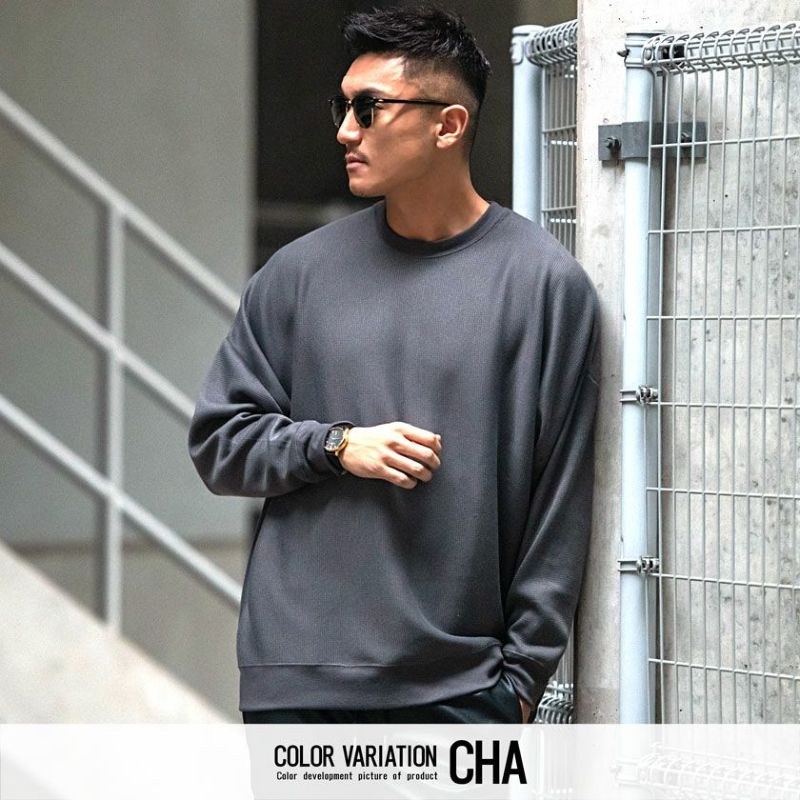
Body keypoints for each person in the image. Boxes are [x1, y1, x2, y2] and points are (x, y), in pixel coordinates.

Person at [188, 4, 601, 725]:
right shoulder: (297, 274)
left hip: (462, 694)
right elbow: (220, 443)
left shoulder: (542, 285)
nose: (346, 131)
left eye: (370, 108)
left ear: (448, 125)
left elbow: (559, 500)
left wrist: (520, 682)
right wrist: (336, 445)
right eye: (343, 107)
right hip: (300, 686)